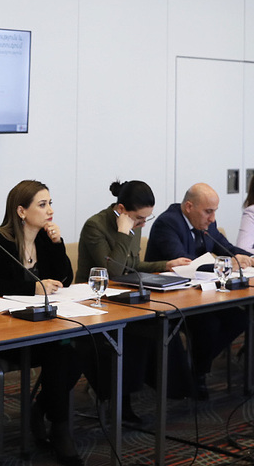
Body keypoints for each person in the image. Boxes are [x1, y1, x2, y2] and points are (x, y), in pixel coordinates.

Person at [0, 180, 84, 465]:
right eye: (42, 204)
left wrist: (58, 245)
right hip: (8, 334)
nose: (50, 211)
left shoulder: (46, 240)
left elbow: (65, 280)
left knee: (76, 350)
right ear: (21, 211)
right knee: (60, 352)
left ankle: (43, 411)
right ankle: (59, 428)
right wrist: (31, 289)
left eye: (50, 203)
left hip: (44, 329)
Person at [76, 180, 189, 422]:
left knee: (162, 323)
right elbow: (113, 271)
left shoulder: (133, 225)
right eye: (139, 219)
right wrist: (123, 232)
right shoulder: (95, 226)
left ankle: (175, 388)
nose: (142, 224)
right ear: (121, 210)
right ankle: (119, 400)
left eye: (146, 219)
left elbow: (133, 265)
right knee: (131, 334)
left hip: (122, 297)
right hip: (92, 301)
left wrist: (166, 265)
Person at [145, 183, 254, 399]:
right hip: (170, 299)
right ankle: (195, 374)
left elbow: (225, 247)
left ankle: (195, 368)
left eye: (214, 212)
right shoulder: (168, 223)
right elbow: (185, 263)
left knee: (241, 320)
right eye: (208, 211)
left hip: (201, 295)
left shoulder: (207, 222)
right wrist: (226, 263)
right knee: (208, 325)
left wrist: (251, 257)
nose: (212, 218)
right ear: (189, 207)